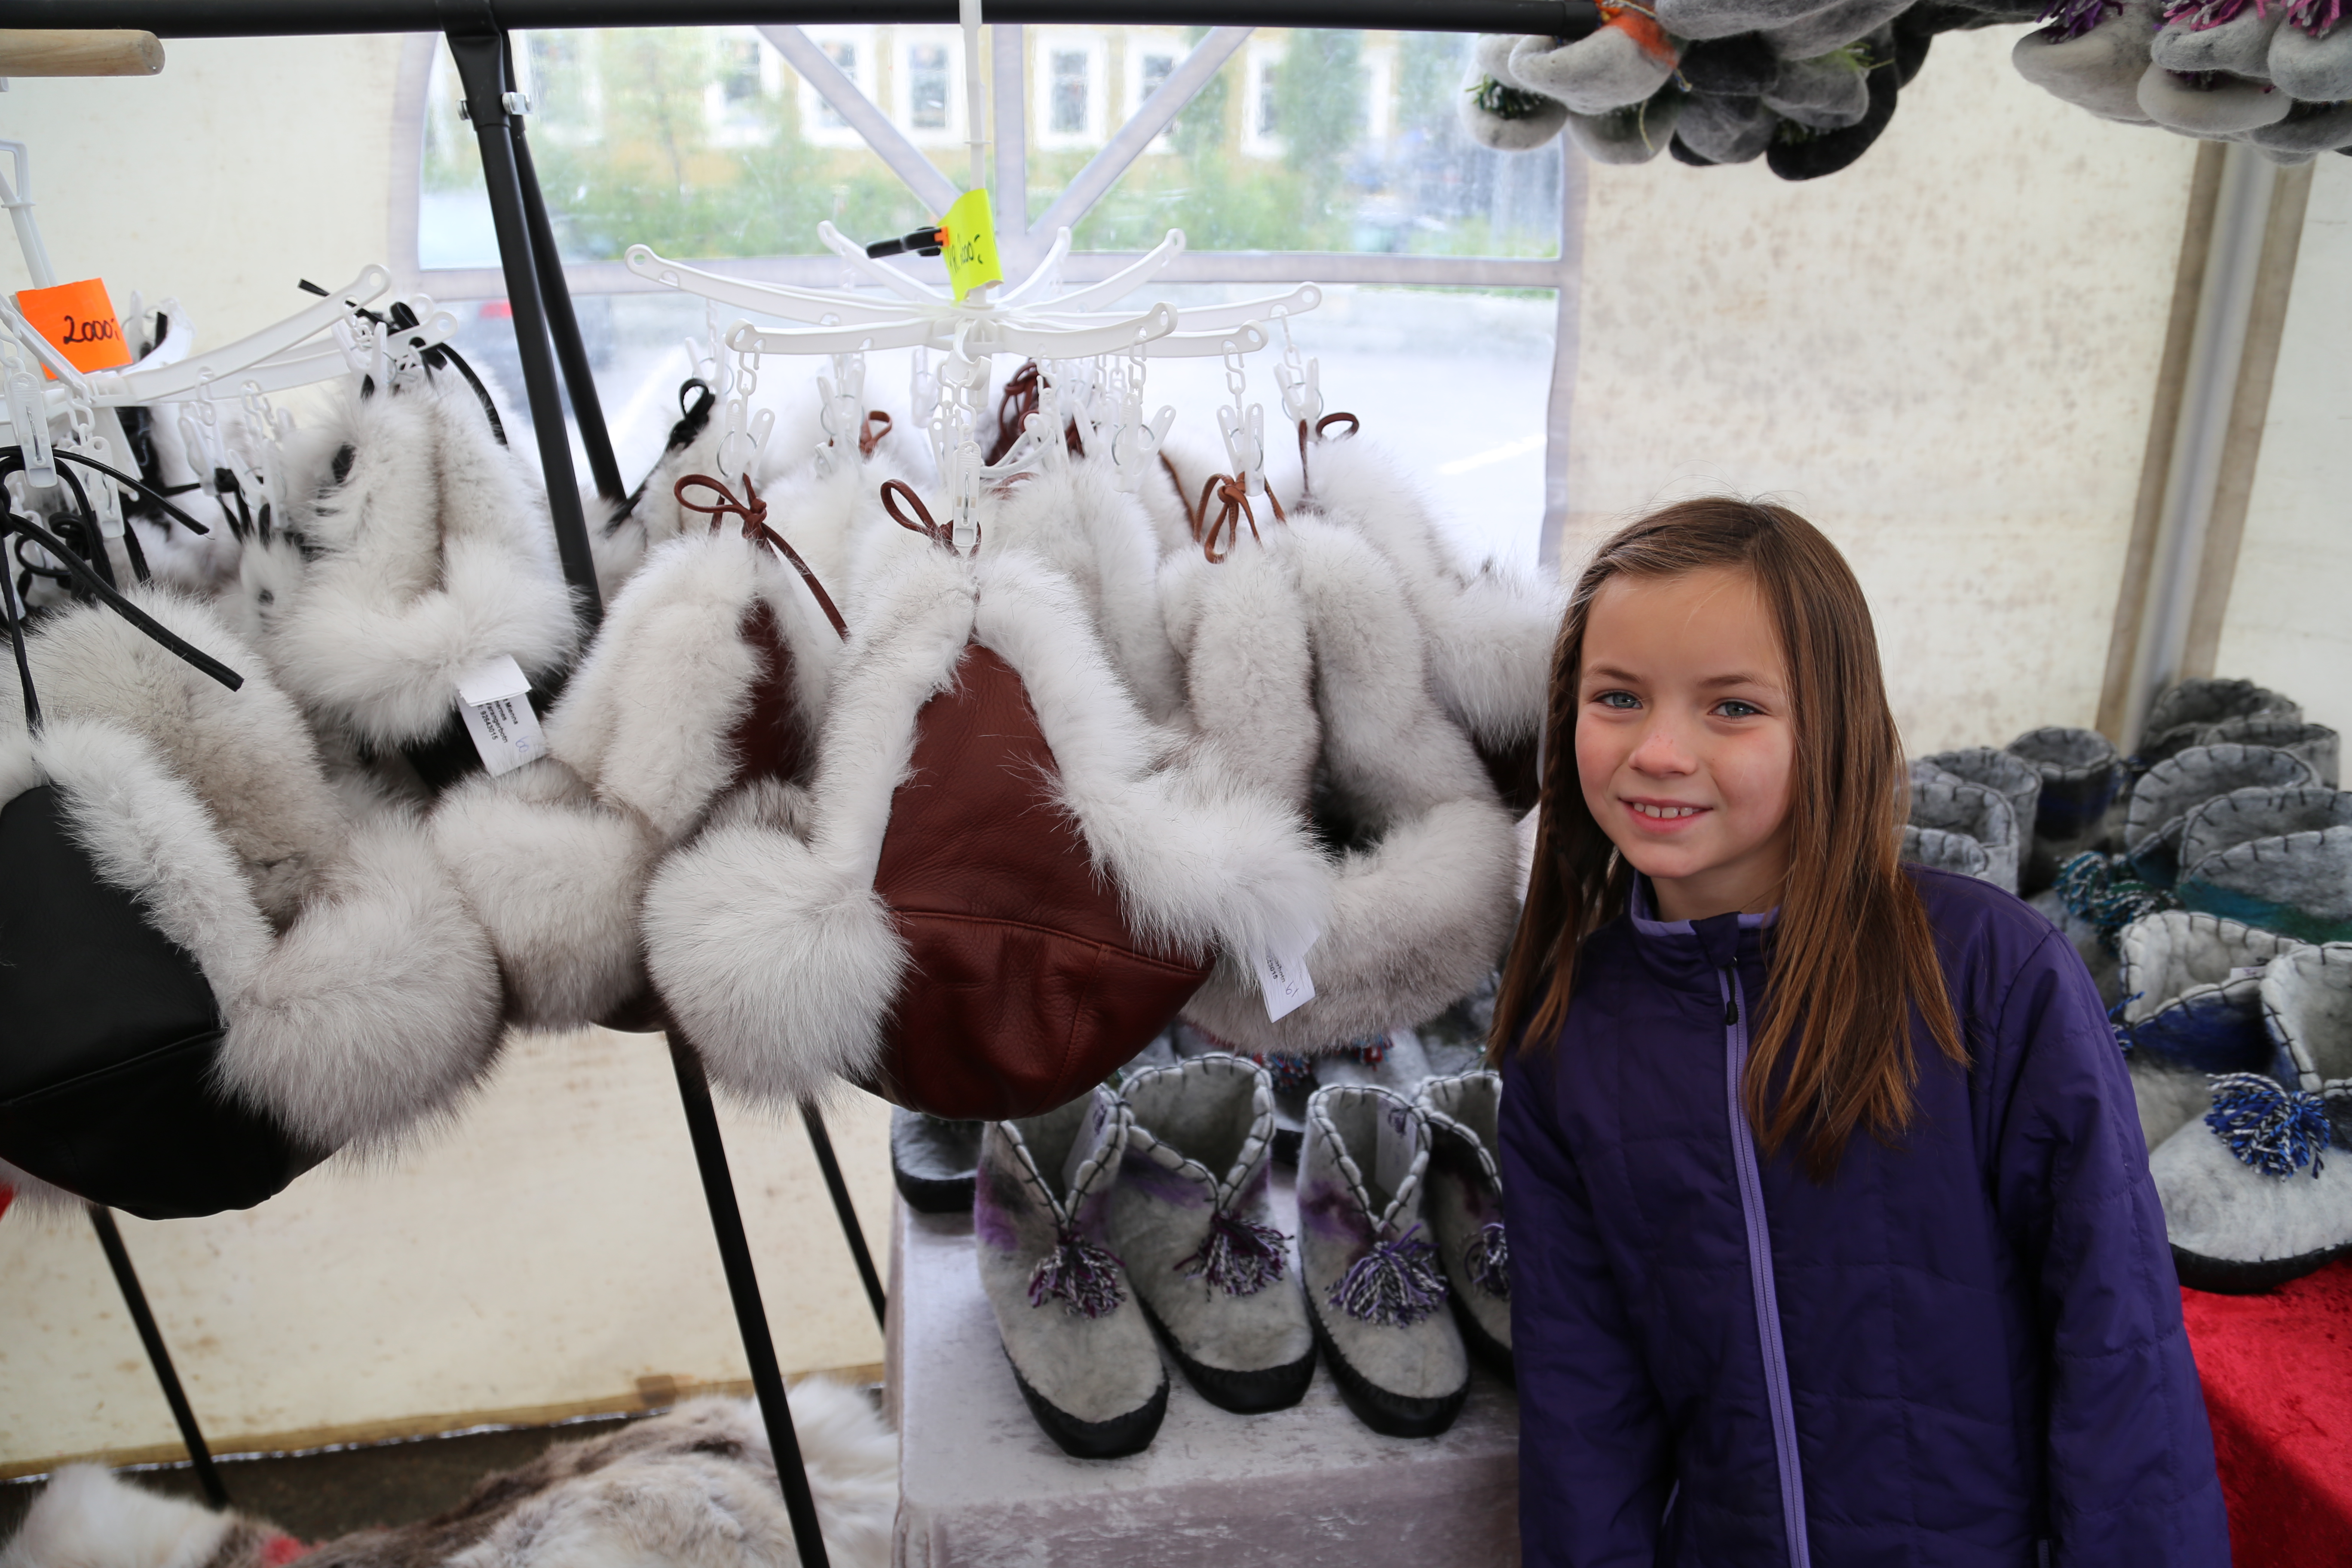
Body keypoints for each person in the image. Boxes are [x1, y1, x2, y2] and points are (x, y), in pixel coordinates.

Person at [1493, 498, 2229, 1565]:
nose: (1657, 750)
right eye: (1618, 697)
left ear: (1831, 721)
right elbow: (1582, 1406)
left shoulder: (1989, 973)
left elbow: (2120, 1346)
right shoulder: (1569, 1039)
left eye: (1732, 707)